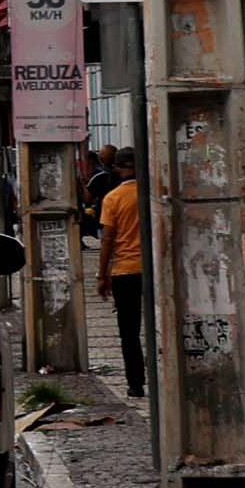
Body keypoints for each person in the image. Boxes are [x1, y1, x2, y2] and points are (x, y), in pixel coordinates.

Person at [91, 152, 151, 391]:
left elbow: (107, 240)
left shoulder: (113, 198)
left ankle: (135, 383)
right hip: (153, 270)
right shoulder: (150, 195)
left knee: (129, 332)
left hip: (125, 271)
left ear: (116, 169)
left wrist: (102, 275)